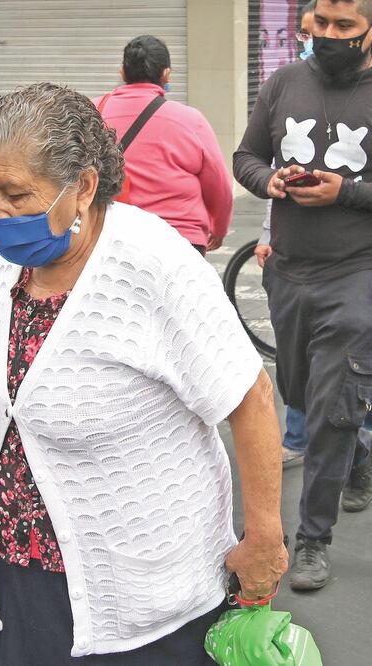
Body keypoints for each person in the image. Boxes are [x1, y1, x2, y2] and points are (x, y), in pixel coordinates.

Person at [0, 82, 288, 664]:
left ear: (83, 186)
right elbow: (27, 371)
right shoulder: (21, 266)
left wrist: (264, 538)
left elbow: (251, 396)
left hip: (140, 595)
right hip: (22, 574)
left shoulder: (152, 264)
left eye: (14, 193)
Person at [234, 0, 372, 592]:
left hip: (356, 272)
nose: (331, 36)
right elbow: (245, 158)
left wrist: (347, 192)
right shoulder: (284, 82)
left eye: (347, 28)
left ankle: (312, 537)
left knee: (332, 404)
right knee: (301, 395)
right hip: (287, 272)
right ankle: (358, 454)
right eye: (322, 25)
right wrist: (272, 181)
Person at [94, 36, 233, 254]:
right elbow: (219, 184)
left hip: (110, 239)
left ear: (122, 72)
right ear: (166, 74)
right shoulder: (189, 119)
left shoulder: (94, 112)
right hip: (179, 238)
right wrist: (219, 227)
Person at [255, 0, 316, 468]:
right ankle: (297, 436)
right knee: (295, 349)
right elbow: (264, 164)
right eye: (314, 32)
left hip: (354, 256)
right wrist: (265, 231)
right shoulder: (286, 85)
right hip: (291, 251)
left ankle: (359, 448)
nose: (323, 41)